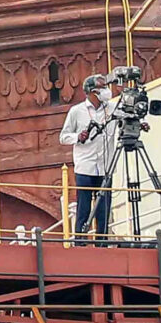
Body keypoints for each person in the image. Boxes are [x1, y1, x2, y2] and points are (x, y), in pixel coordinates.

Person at [59, 74, 116, 243]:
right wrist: (78, 137)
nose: (106, 91)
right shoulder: (77, 111)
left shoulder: (112, 108)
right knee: (84, 207)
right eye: (102, 87)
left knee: (103, 209)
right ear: (92, 92)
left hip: (105, 166)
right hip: (85, 166)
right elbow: (63, 137)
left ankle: (102, 243)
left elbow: (125, 119)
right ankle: (80, 242)